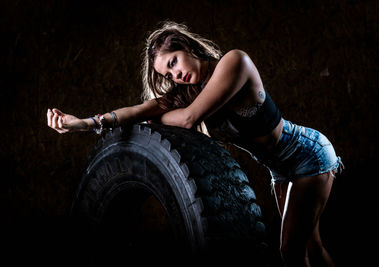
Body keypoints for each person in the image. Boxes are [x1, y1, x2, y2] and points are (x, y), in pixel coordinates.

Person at [47, 21, 342, 266]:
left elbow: (188, 118)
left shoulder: (235, 62)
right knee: (310, 249)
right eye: (168, 74)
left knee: (291, 252)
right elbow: (136, 112)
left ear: (186, 47)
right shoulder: (188, 91)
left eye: (174, 62)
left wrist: (158, 118)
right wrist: (83, 123)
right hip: (280, 170)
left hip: (307, 154)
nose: (176, 75)